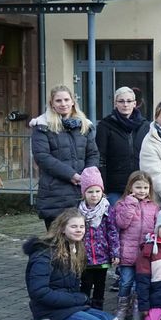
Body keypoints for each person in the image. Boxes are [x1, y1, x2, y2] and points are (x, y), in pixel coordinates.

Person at [12, 209, 120, 320]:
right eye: (74, 226)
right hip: (50, 310)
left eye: (81, 227)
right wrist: (77, 299)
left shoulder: (75, 248)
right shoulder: (44, 254)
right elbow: (39, 292)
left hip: (69, 306)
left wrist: (77, 300)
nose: (79, 230)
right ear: (62, 229)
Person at [31, 85, 99, 229]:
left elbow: (93, 154)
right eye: (58, 101)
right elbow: (42, 157)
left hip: (82, 190)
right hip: (55, 192)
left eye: (66, 100)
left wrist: (87, 176)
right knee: (57, 239)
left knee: (81, 238)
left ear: (73, 101)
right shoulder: (42, 126)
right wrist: (71, 175)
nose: (63, 104)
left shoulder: (84, 126)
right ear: (52, 104)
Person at [113, 170, 159, 320]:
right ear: (130, 187)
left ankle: (137, 308)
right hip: (127, 252)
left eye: (145, 188)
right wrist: (130, 204)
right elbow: (121, 223)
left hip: (144, 253)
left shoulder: (153, 206)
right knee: (126, 282)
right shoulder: (122, 204)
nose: (142, 191)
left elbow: (156, 227)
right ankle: (122, 308)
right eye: (138, 187)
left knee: (141, 283)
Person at [95, 86, 150, 205]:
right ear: (115, 103)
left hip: (140, 186)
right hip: (115, 188)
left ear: (135, 103)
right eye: (121, 101)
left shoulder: (145, 126)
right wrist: (103, 186)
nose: (125, 105)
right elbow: (100, 157)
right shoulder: (105, 126)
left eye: (129, 101)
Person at [77, 167, 120, 310]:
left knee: (100, 285)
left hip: (102, 256)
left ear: (102, 192)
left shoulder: (107, 210)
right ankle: (83, 308)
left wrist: (115, 253)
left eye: (97, 191)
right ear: (83, 193)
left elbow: (113, 232)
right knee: (85, 283)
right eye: (90, 192)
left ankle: (97, 309)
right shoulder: (79, 211)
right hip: (85, 258)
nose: (94, 195)